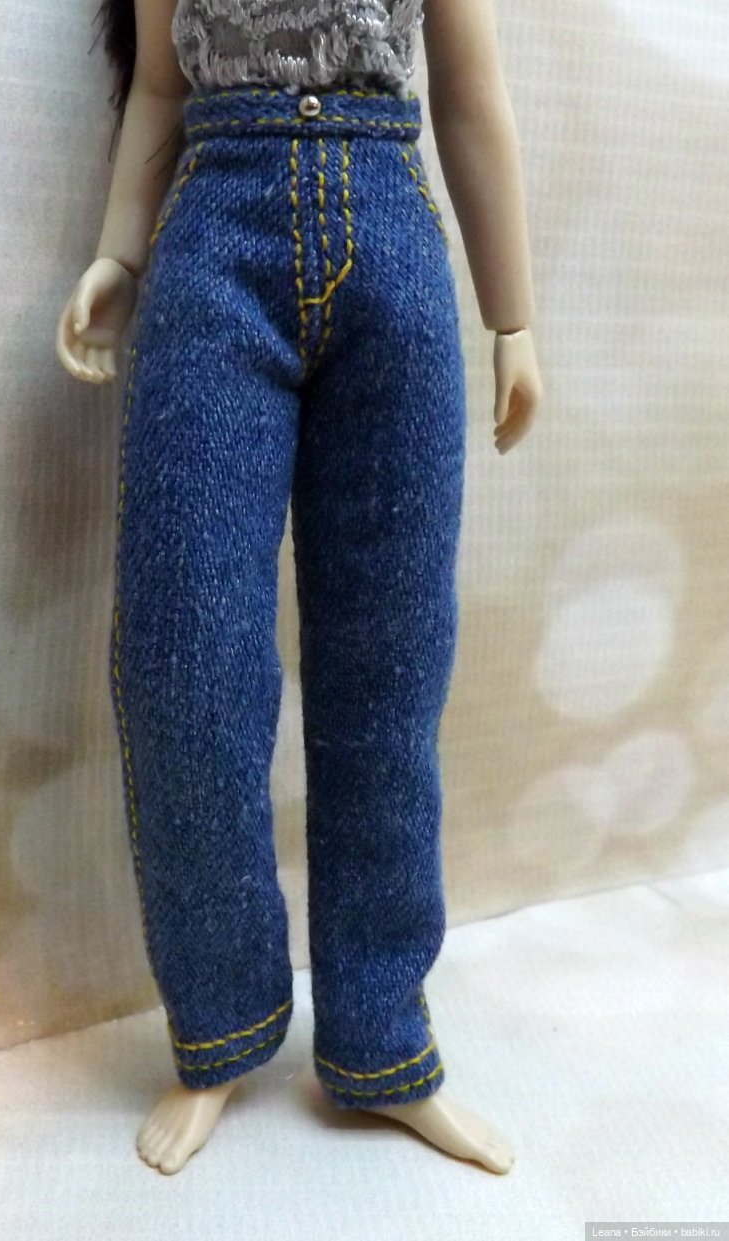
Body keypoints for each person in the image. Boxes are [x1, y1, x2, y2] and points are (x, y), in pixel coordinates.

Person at [56, 0, 542, 1177]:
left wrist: (513, 319)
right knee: (184, 665)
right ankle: (219, 1026)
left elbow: (470, 93)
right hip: (212, 250)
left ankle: (381, 1037)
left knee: (389, 676)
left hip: (395, 254)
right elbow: (161, 87)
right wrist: (119, 256)